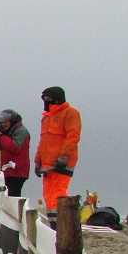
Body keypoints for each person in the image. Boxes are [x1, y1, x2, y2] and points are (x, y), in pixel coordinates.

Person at [34, 86, 82, 227]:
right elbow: (43, 141)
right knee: (48, 195)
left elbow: (73, 136)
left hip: (62, 162)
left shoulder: (70, 113)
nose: (46, 102)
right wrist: (38, 161)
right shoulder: (46, 118)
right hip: (47, 164)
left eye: (49, 99)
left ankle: (61, 223)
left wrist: (64, 157)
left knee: (58, 193)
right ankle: (54, 224)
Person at [0, 109, 31, 197]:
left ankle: (14, 210)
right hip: (7, 171)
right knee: (6, 197)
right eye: (1, 123)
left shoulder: (21, 131)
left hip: (16, 171)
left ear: (12, 121)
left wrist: (0, 137)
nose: (3, 124)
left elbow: (15, 147)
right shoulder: (6, 133)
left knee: (12, 197)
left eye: (5, 122)